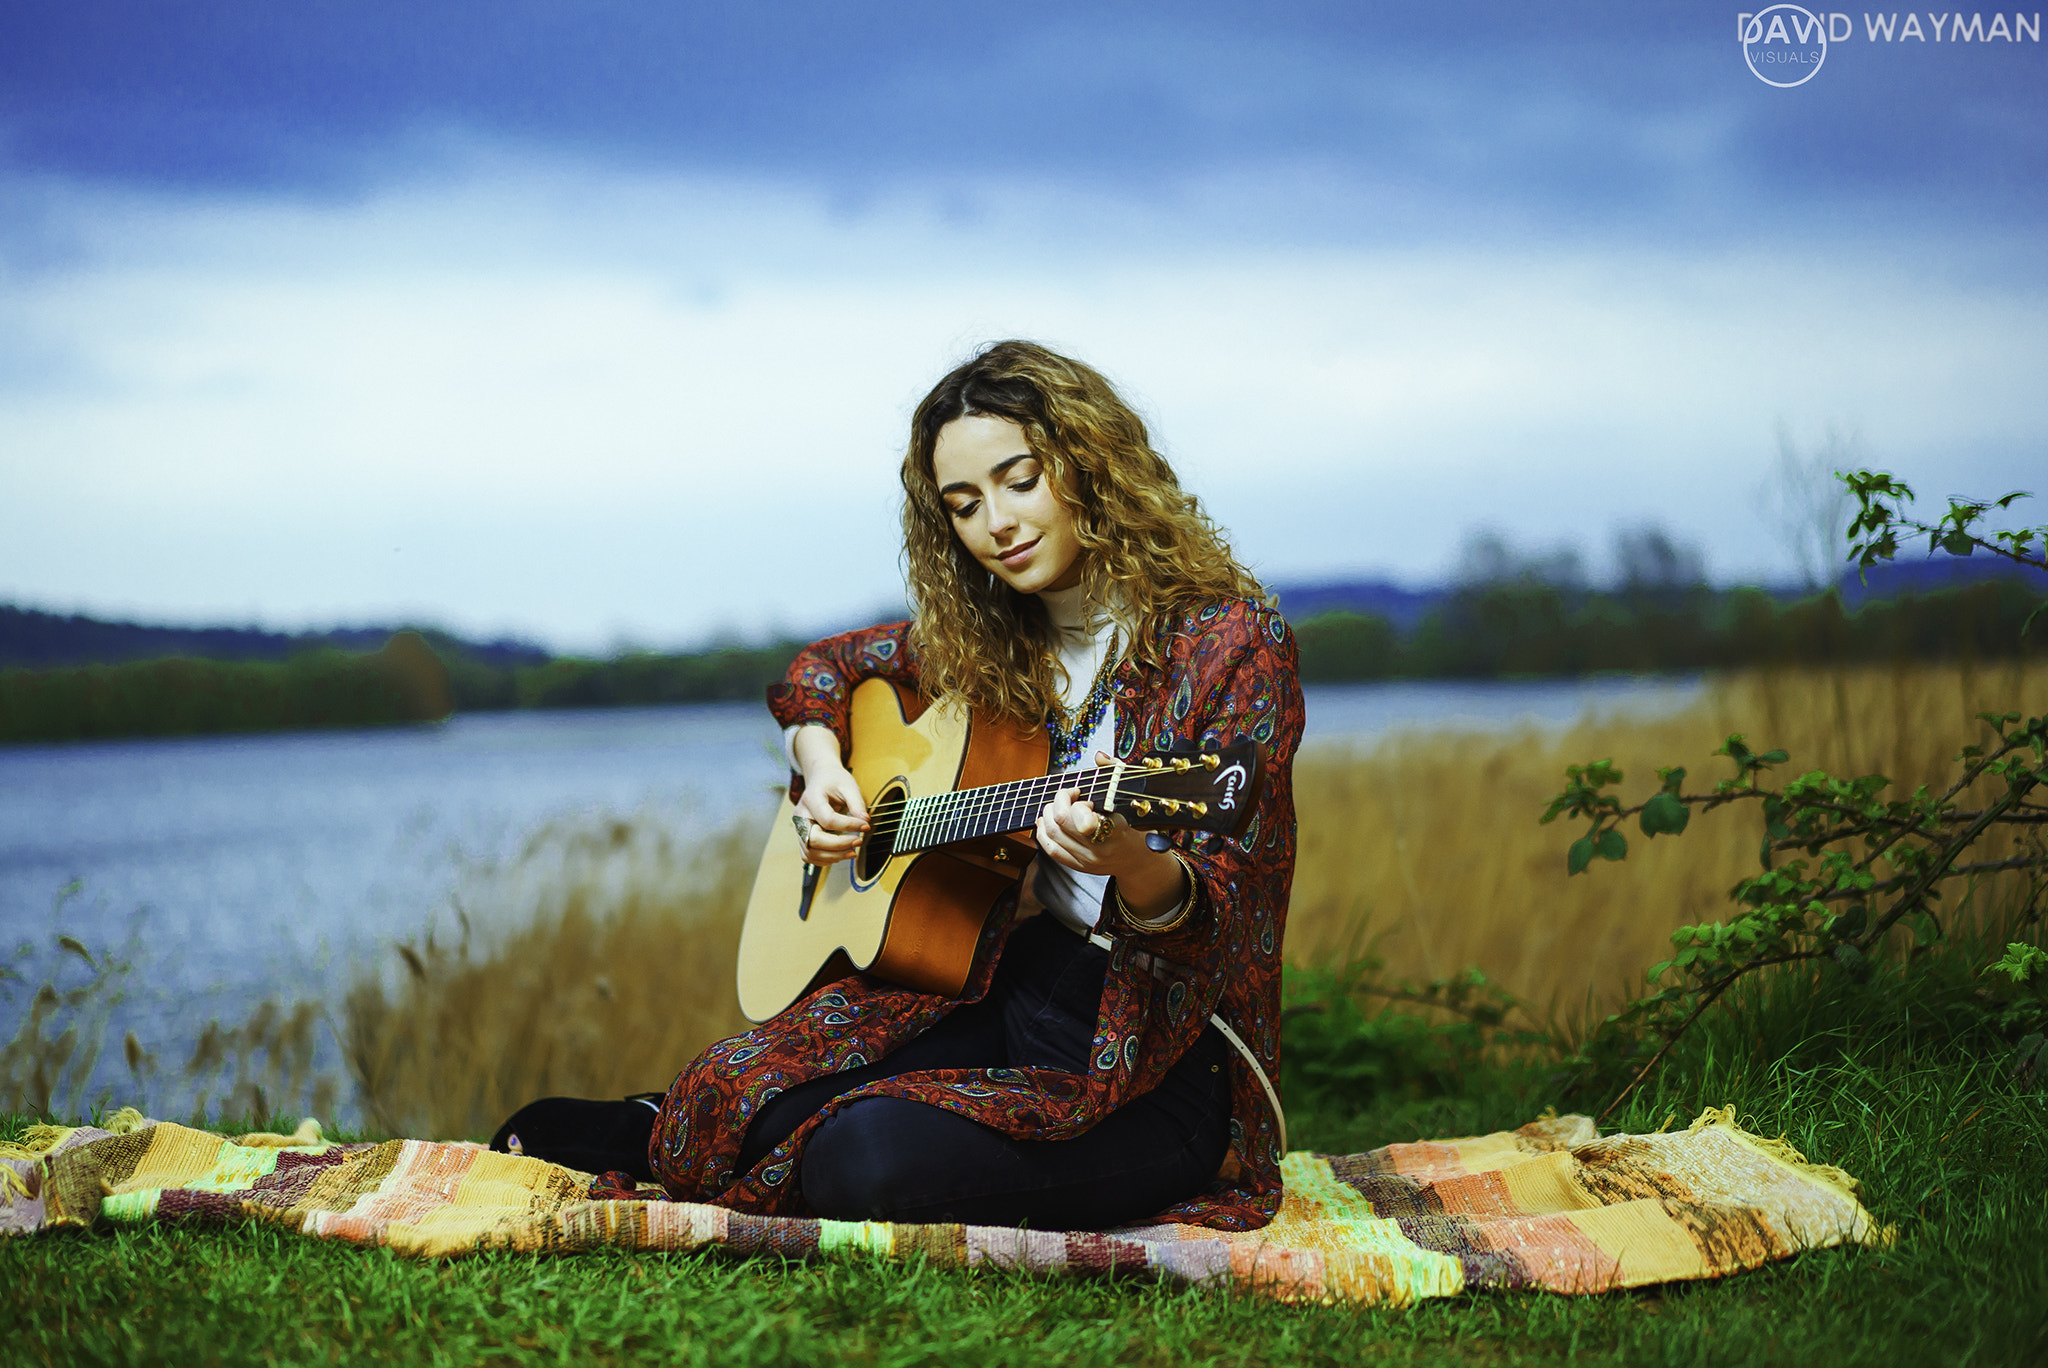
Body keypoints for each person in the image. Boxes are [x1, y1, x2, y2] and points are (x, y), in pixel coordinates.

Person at [501, 340, 1302, 1231]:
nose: (997, 522)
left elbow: (1225, 912)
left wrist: (1135, 866)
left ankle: (712, 1140)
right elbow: (823, 669)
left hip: (1161, 1049)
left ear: (1090, 462)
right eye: (964, 505)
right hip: (1011, 979)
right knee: (739, 1084)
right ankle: (680, 1127)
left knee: (864, 1162)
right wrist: (822, 769)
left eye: (1020, 479)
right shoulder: (996, 637)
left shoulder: (1228, 640)